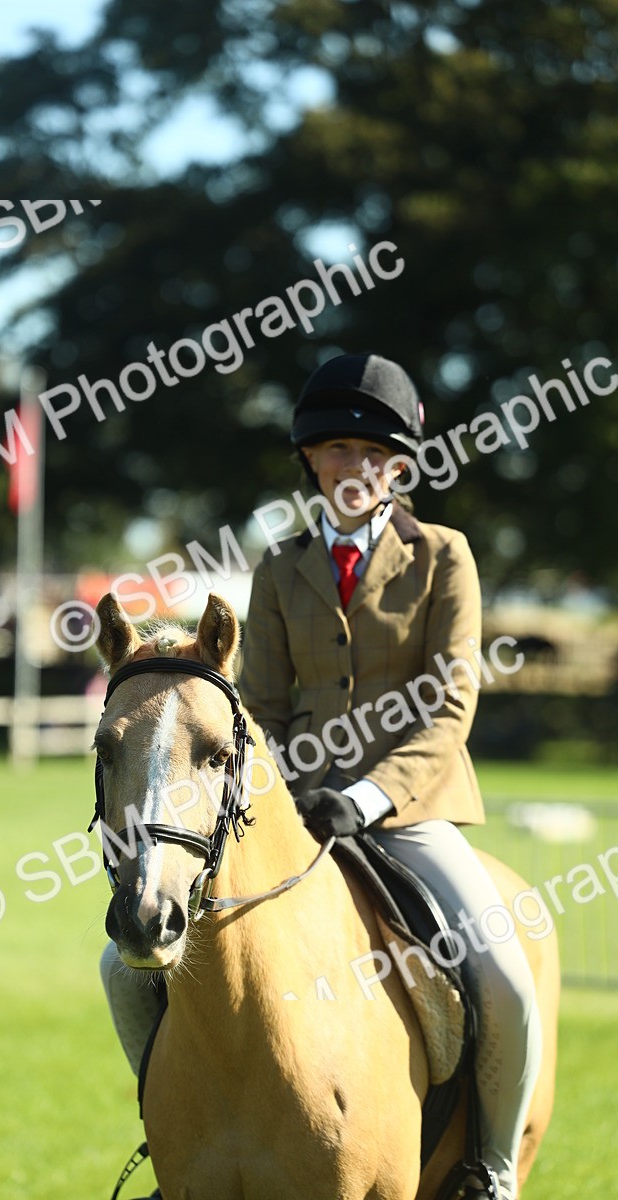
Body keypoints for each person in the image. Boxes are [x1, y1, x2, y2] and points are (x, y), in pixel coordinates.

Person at [237, 351, 542, 1200]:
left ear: (400, 465)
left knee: (506, 977)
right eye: (338, 450)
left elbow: (449, 704)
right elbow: (258, 704)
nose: (356, 468)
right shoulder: (277, 567)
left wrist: (368, 795)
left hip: (409, 810)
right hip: (294, 809)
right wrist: (285, 792)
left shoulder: (445, 556)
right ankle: (184, 1143)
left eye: (374, 455)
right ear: (310, 459)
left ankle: (492, 1165)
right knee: (135, 967)